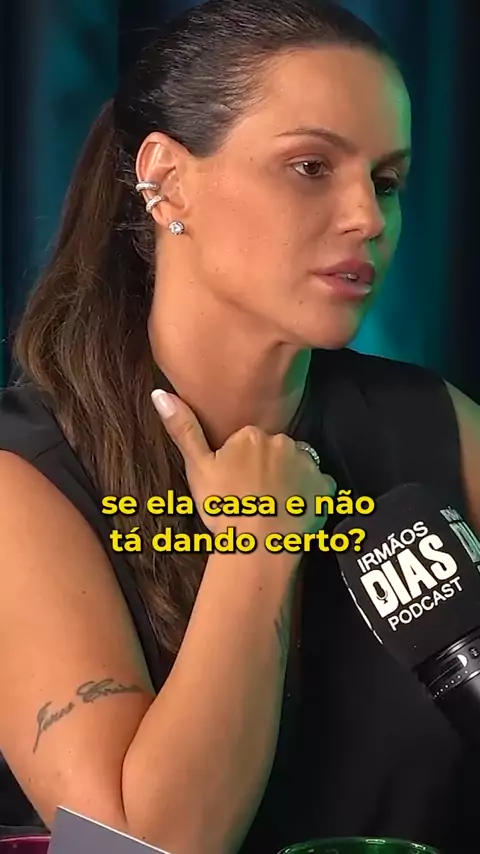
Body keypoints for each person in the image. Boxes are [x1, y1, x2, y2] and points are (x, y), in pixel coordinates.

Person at [0, 0, 479, 851]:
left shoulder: (441, 426)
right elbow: (136, 848)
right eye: (310, 166)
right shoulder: (25, 478)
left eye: (386, 181)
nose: (368, 217)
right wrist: (258, 542)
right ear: (167, 180)